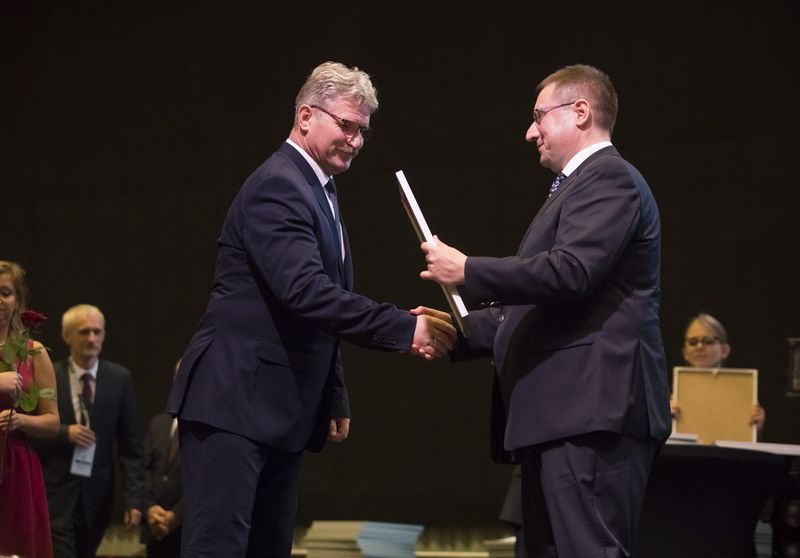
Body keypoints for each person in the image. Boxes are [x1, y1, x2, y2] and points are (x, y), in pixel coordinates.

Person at [166, 61, 456, 557]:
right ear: (305, 116)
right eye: (347, 125)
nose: (357, 141)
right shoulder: (279, 185)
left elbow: (313, 312)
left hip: (277, 411)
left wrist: (333, 394)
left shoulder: (319, 189)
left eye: (363, 131)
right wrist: (405, 330)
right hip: (234, 404)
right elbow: (307, 293)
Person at [420, 64, 672, 557]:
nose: (530, 132)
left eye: (539, 116)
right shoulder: (576, 188)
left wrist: (468, 269)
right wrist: (457, 331)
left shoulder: (609, 177)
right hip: (563, 416)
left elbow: (571, 272)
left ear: (580, 112)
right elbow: (536, 304)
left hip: (592, 413)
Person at [32, 304, 145, 558]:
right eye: (84, 332)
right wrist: (65, 433)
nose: (92, 338)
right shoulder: (50, 375)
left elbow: (130, 447)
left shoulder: (119, 379)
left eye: (97, 331)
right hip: (55, 492)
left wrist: (134, 500)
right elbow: (31, 431)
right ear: (67, 336)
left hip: (97, 498)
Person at [0, 260, 59, 558]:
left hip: (16, 465)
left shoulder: (34, 353)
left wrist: (21, 421)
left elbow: (52, 422)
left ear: (18, 301)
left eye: (5, 292)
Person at [671, 312, 765, 431]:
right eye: (693, 342)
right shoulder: (665, 397)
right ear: (685, 352)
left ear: (724, 350)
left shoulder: (743, 394)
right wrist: (663, 421)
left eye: (708, 341)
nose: (699, 346)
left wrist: (756, 428)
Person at [141, 359, 183, 558]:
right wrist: (150, 509)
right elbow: (142, 471)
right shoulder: (158, 423)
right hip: (155, 532)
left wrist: (176, 516)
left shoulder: (211, 432)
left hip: (188, 533)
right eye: (179, 376)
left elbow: (210, 482)